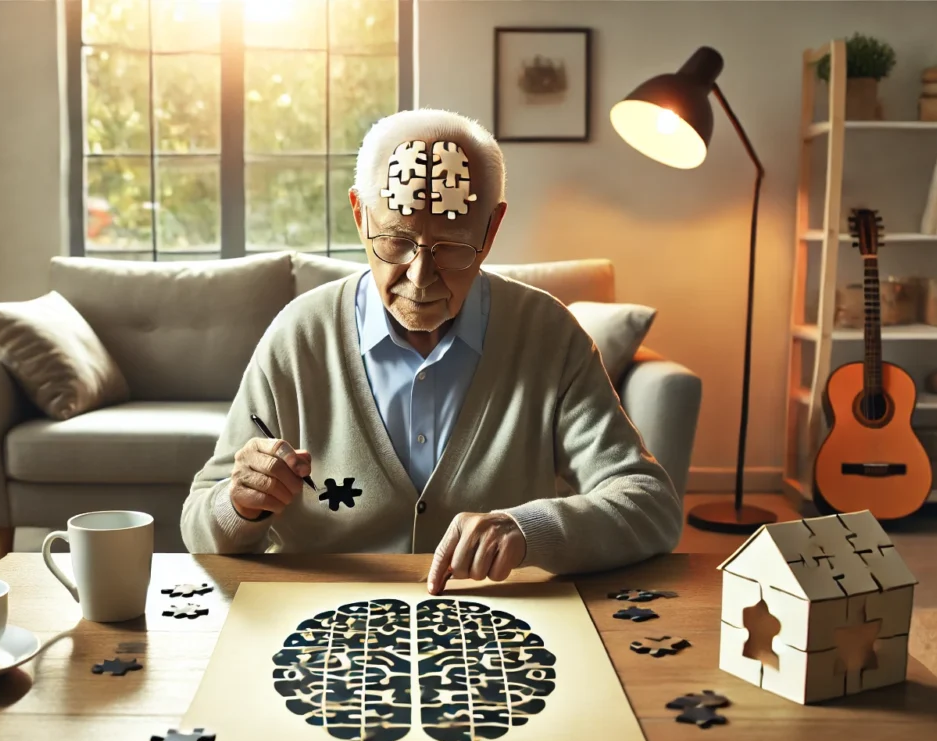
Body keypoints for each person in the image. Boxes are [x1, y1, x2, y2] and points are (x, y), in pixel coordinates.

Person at [181, 108, 682, 593]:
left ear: (491, 229)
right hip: (324, 626)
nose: (420, 278)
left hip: (496, 624)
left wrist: (528, 529)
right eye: (396, 242)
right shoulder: (299, 336)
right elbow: (198, 526)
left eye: (453, 246)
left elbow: (651, 506)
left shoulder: (548, 334)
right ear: (360, 215)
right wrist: (239, 504)